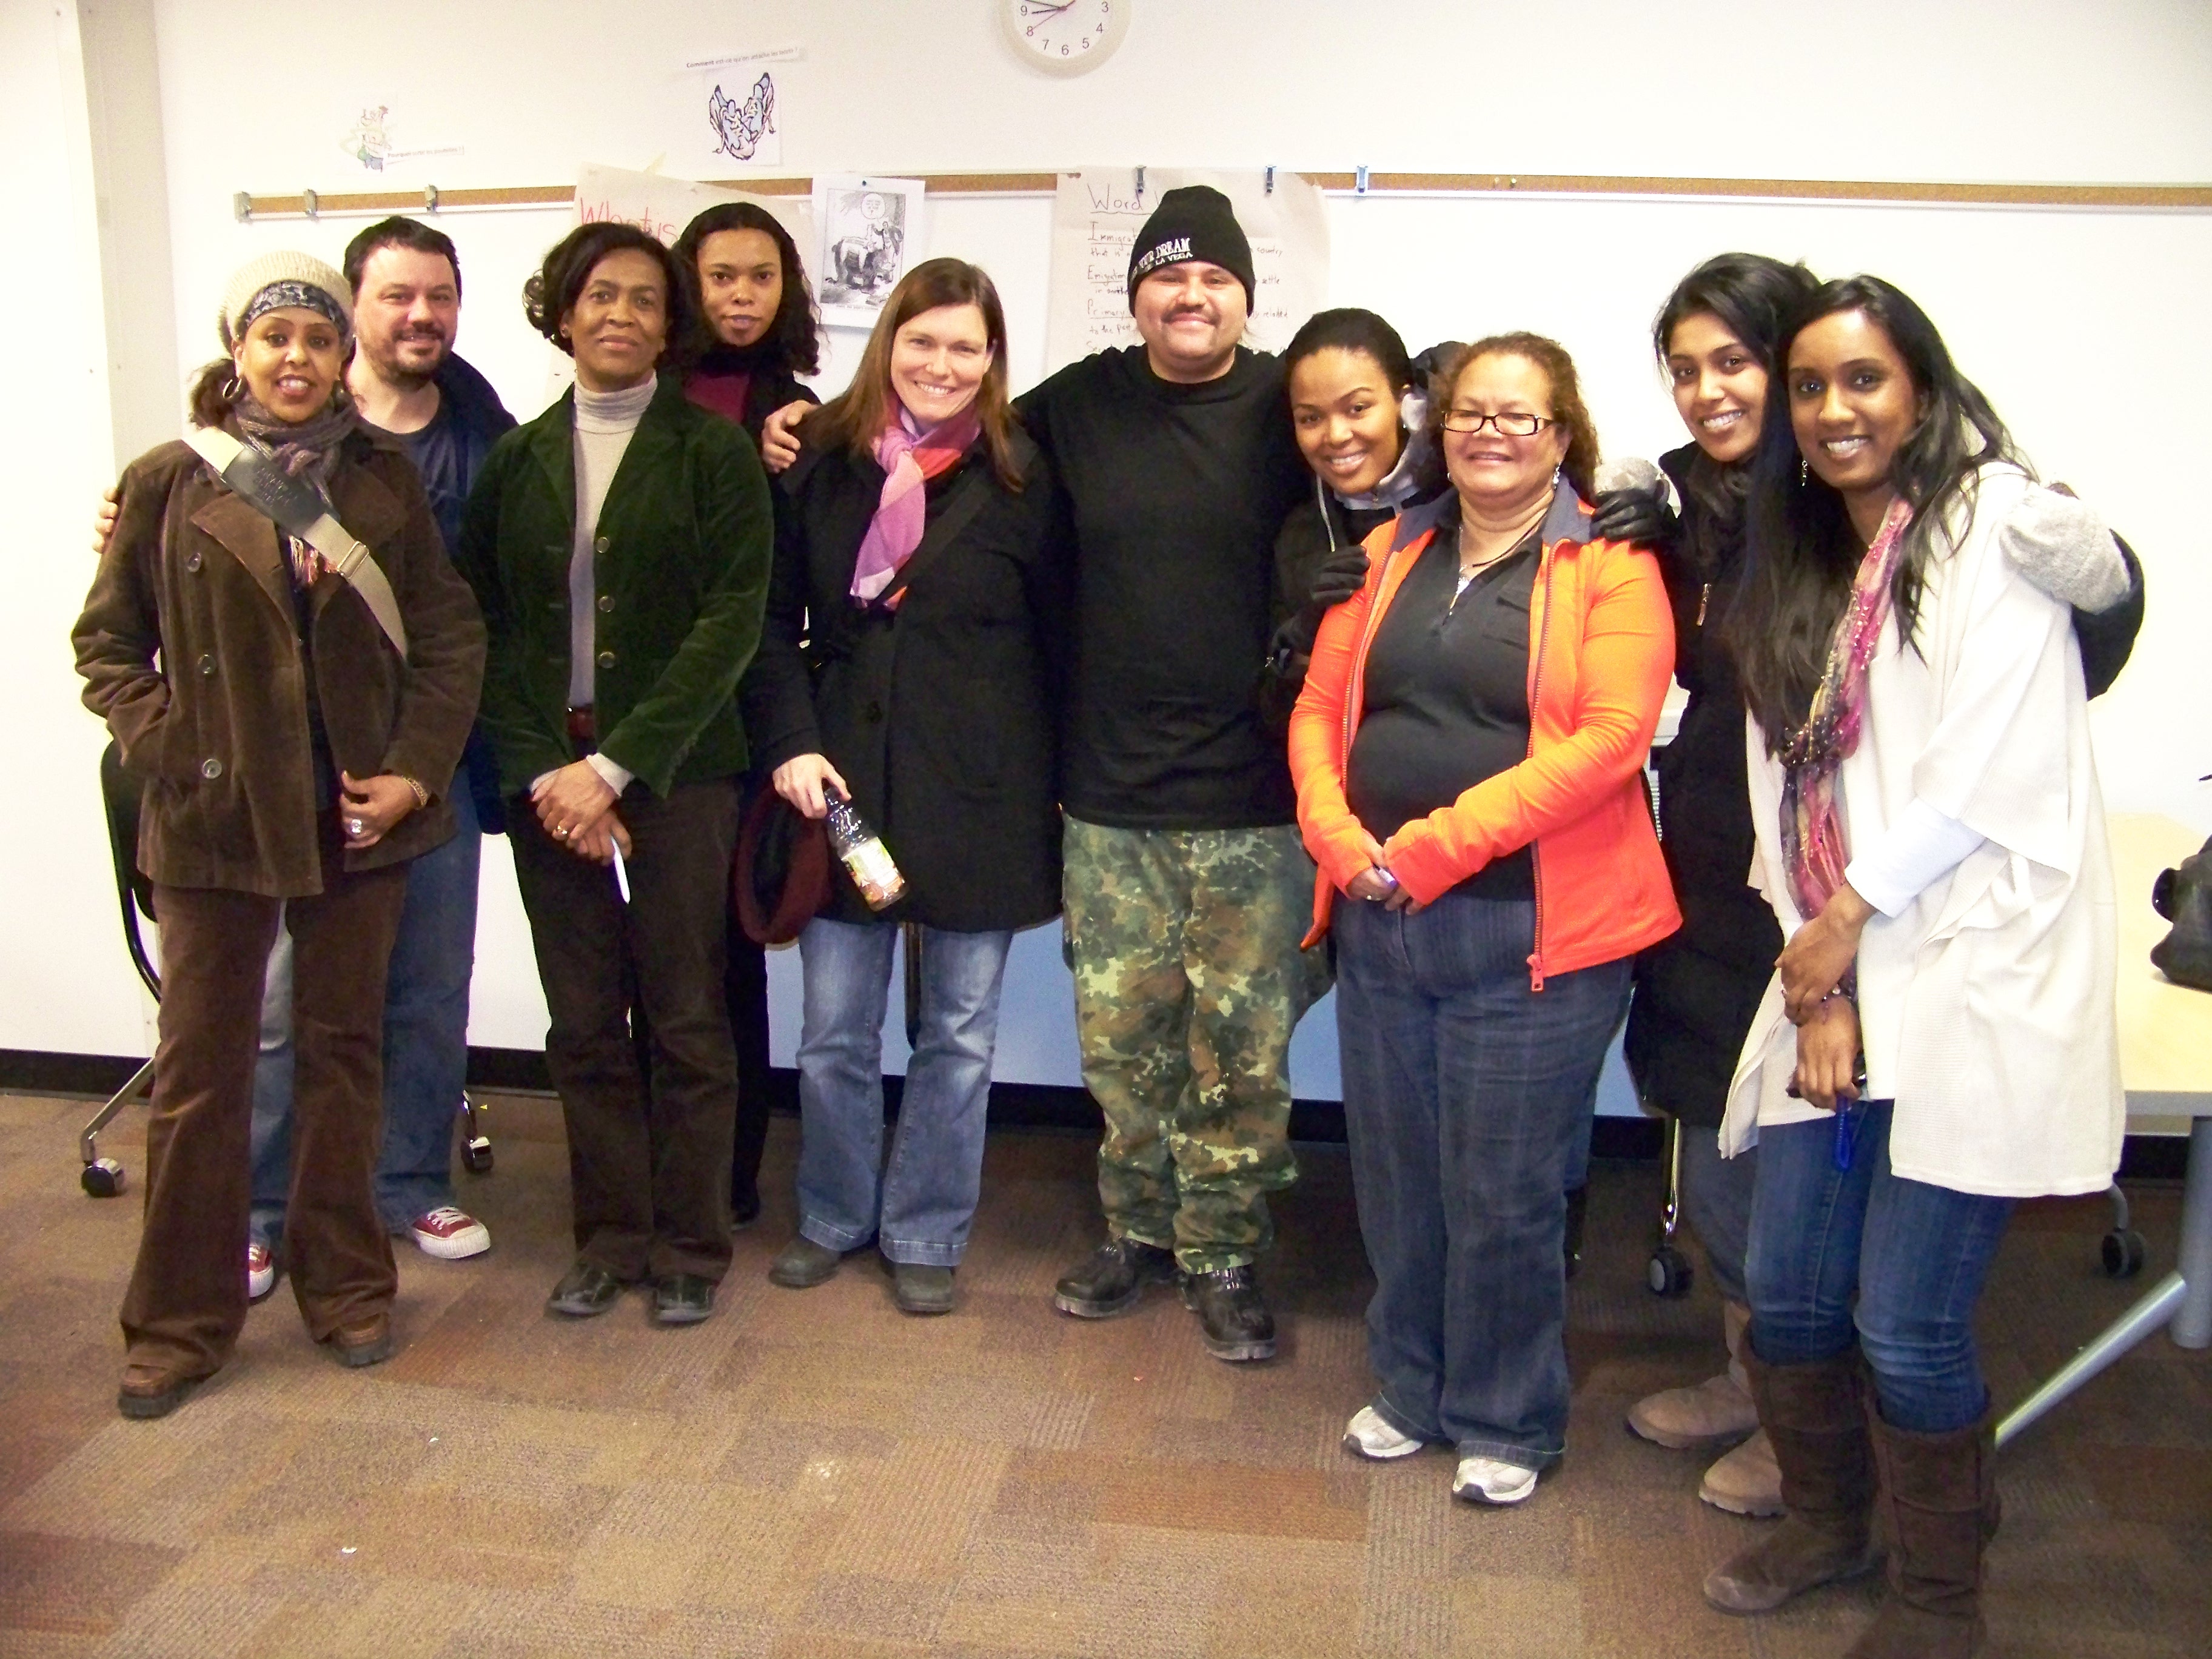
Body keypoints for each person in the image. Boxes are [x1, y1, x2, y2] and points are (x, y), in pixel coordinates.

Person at [1621, 255, 2144, 1520]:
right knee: (1780, 1269)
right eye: (1811, 386)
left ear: (1919, 390)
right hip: (1795, 940)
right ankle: (1808, 1494)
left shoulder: (1984, 528)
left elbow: (1994, 757)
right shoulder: (1768, 542)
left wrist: (1841, 933)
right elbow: (1779, 782)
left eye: (1859, 379)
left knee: (1901, 1313)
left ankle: (1914, 1571)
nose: (1828, 407)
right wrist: (1823, 977)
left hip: (1937, 949)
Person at [73, 250, 485, 1416]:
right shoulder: (167, 480)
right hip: (215, 820)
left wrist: (412, 773)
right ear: (238, 350)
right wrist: (177, 750)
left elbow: (449, 638)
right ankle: (176, 1322)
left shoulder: (384, 480)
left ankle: (346, 1288)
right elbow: (107, 647)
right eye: (274, 337)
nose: (296, 358)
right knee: (201, 1074)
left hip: (357, 817)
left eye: (316, 338)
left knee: (344, 1054)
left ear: (342, 353)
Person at [1288, 333, 1680, 1504]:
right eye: (1469, 414)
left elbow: (1610, 743)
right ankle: (1412, 1387)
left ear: (1563, 438)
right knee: (1397, 1176)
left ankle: (1508, 1416)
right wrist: (1337, 838)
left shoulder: (1610, 565)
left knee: (1504, 1192)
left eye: (1521, 417)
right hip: (1380, 920)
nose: (1491, 434)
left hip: (1531, 933)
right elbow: (1318, 710)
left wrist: (1433, 848)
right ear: (1439, 429)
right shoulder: (1391, 549)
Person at [1020, 186, 1321, 1362]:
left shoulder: (1292, 405)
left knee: (1240, 1052)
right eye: (1168, 277)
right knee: (1124, 1044)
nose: (1191, 297)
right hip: (1110, 799)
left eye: (1215, 279)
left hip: (1257, 799)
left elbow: (1415, 442)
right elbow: (942, 438)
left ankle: (1224, 1250)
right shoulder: (1078, 406)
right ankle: (1138, 1229)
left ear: (1245, 296)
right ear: (1136, 293)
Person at [455, 223, 772, 1327]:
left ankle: (689, 1246)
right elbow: (485, 626)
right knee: (585, 1024)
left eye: (644, 299)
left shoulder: (713, 455)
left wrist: (618, 765)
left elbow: (732, 623)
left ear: (669, 323)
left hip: (680, 773)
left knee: (686, 1017)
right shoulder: (517, 459)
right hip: (549, 781)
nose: (621, 315)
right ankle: (609, 1238)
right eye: (600, 295)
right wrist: (553, 770)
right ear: (564, 313)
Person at [742, 258, 1067, 1315]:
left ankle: (927, 1226)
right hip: (842, 783)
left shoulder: (1025, 476)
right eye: (922, 340)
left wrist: (1060, 789)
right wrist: (792, 743)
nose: (941, 364)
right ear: (889, 342)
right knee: (834, 1030)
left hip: (985, 788)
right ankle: (835, 1213)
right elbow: (767, 624)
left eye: (965, 346)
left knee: (959, 1035)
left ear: (993, 358)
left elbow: (1062, 640)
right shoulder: (819, 460)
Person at [671, 200, 823, 1228]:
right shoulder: (641, 392)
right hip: (637, 711)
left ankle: (728, 1175)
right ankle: (655, 1159)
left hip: (738, 714)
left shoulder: (797, 409)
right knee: (650, 959)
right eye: (720, 275)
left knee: (729, 956)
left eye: (760, 277)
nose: (740, 296)